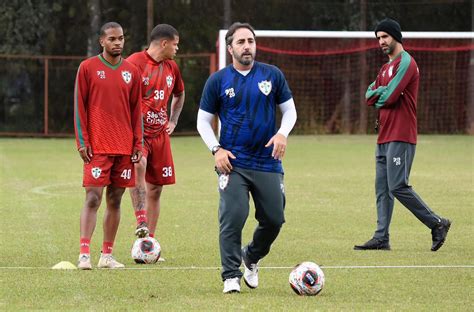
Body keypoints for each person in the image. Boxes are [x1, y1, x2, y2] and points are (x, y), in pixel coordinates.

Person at [197, 22, 297, 293]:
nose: (247, 46)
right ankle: (231, 275)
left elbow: (290, 111)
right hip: (233, 163)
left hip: (268, 161)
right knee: (234, 216)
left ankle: (251, 256)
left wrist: (282, 134)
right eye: (241, 42)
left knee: (274, 219)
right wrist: (216, 149)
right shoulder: (218, 81)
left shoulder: (272, 75)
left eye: (250, 41)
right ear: (230, 48)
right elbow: (203, 121)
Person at [354, 18, 451, 252]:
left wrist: (380, 93)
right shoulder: (384, 68)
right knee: (382, 189)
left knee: (397, 186)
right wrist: (380, 92)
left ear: (396, 36)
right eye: (378, 38)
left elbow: (389, 97)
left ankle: (437, 223)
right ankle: (381, 238)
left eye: (384, 36)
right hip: (383, 136)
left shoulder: (406, 62)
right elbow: (369, 96)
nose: (381, 42)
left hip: (401, 134)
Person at [74, 22, 143, 269]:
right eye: (112, 39)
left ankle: (107, 255)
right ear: (102, 41)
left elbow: (137, 110)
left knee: (115, 199)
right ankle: (84, 254)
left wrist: (138, 142)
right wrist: (82, 141)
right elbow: (79, 107)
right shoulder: (88, 68)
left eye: (121, 38)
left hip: (124, 147)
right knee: (93, 198)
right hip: (98, 147)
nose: (118, 43)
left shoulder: (132, 71)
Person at [126, 24, 185, 248]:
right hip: (137, 133)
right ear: (164, 43)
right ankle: (140, 219)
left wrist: (173, 120)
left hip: (160, 135)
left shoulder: (172, 68)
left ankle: (148, 243)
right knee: (138, 164)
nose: (177, 49)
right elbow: (119, 94)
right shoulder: (134, 63)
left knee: (157, 188)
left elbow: (180, 94)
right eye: (175, 44)